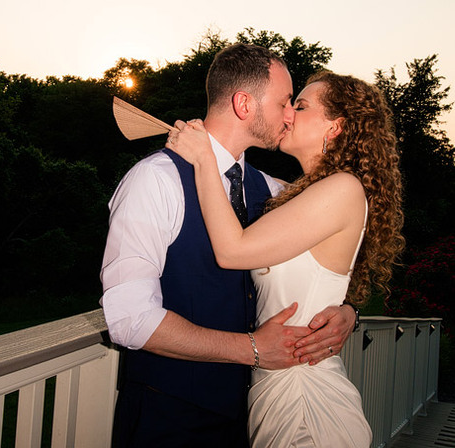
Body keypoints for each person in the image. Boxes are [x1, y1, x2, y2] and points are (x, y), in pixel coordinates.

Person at [100, 43, 358, 448]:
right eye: (285, 102)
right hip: (168, 420)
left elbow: (333, 257)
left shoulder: (273, 190)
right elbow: (129, 318)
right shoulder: (155, 180)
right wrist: (252, 349)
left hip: (250, 420)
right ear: (244, 104)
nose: (290, 115)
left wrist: (348, 311)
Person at [166, 70, 405, 447]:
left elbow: (233, 251)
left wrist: (203, 157)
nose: (288, 113)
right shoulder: (299, 194)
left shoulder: (342, 188)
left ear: (335, 127)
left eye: (302, 106)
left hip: (305, 400)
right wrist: (349, 310)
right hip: (280, 386)